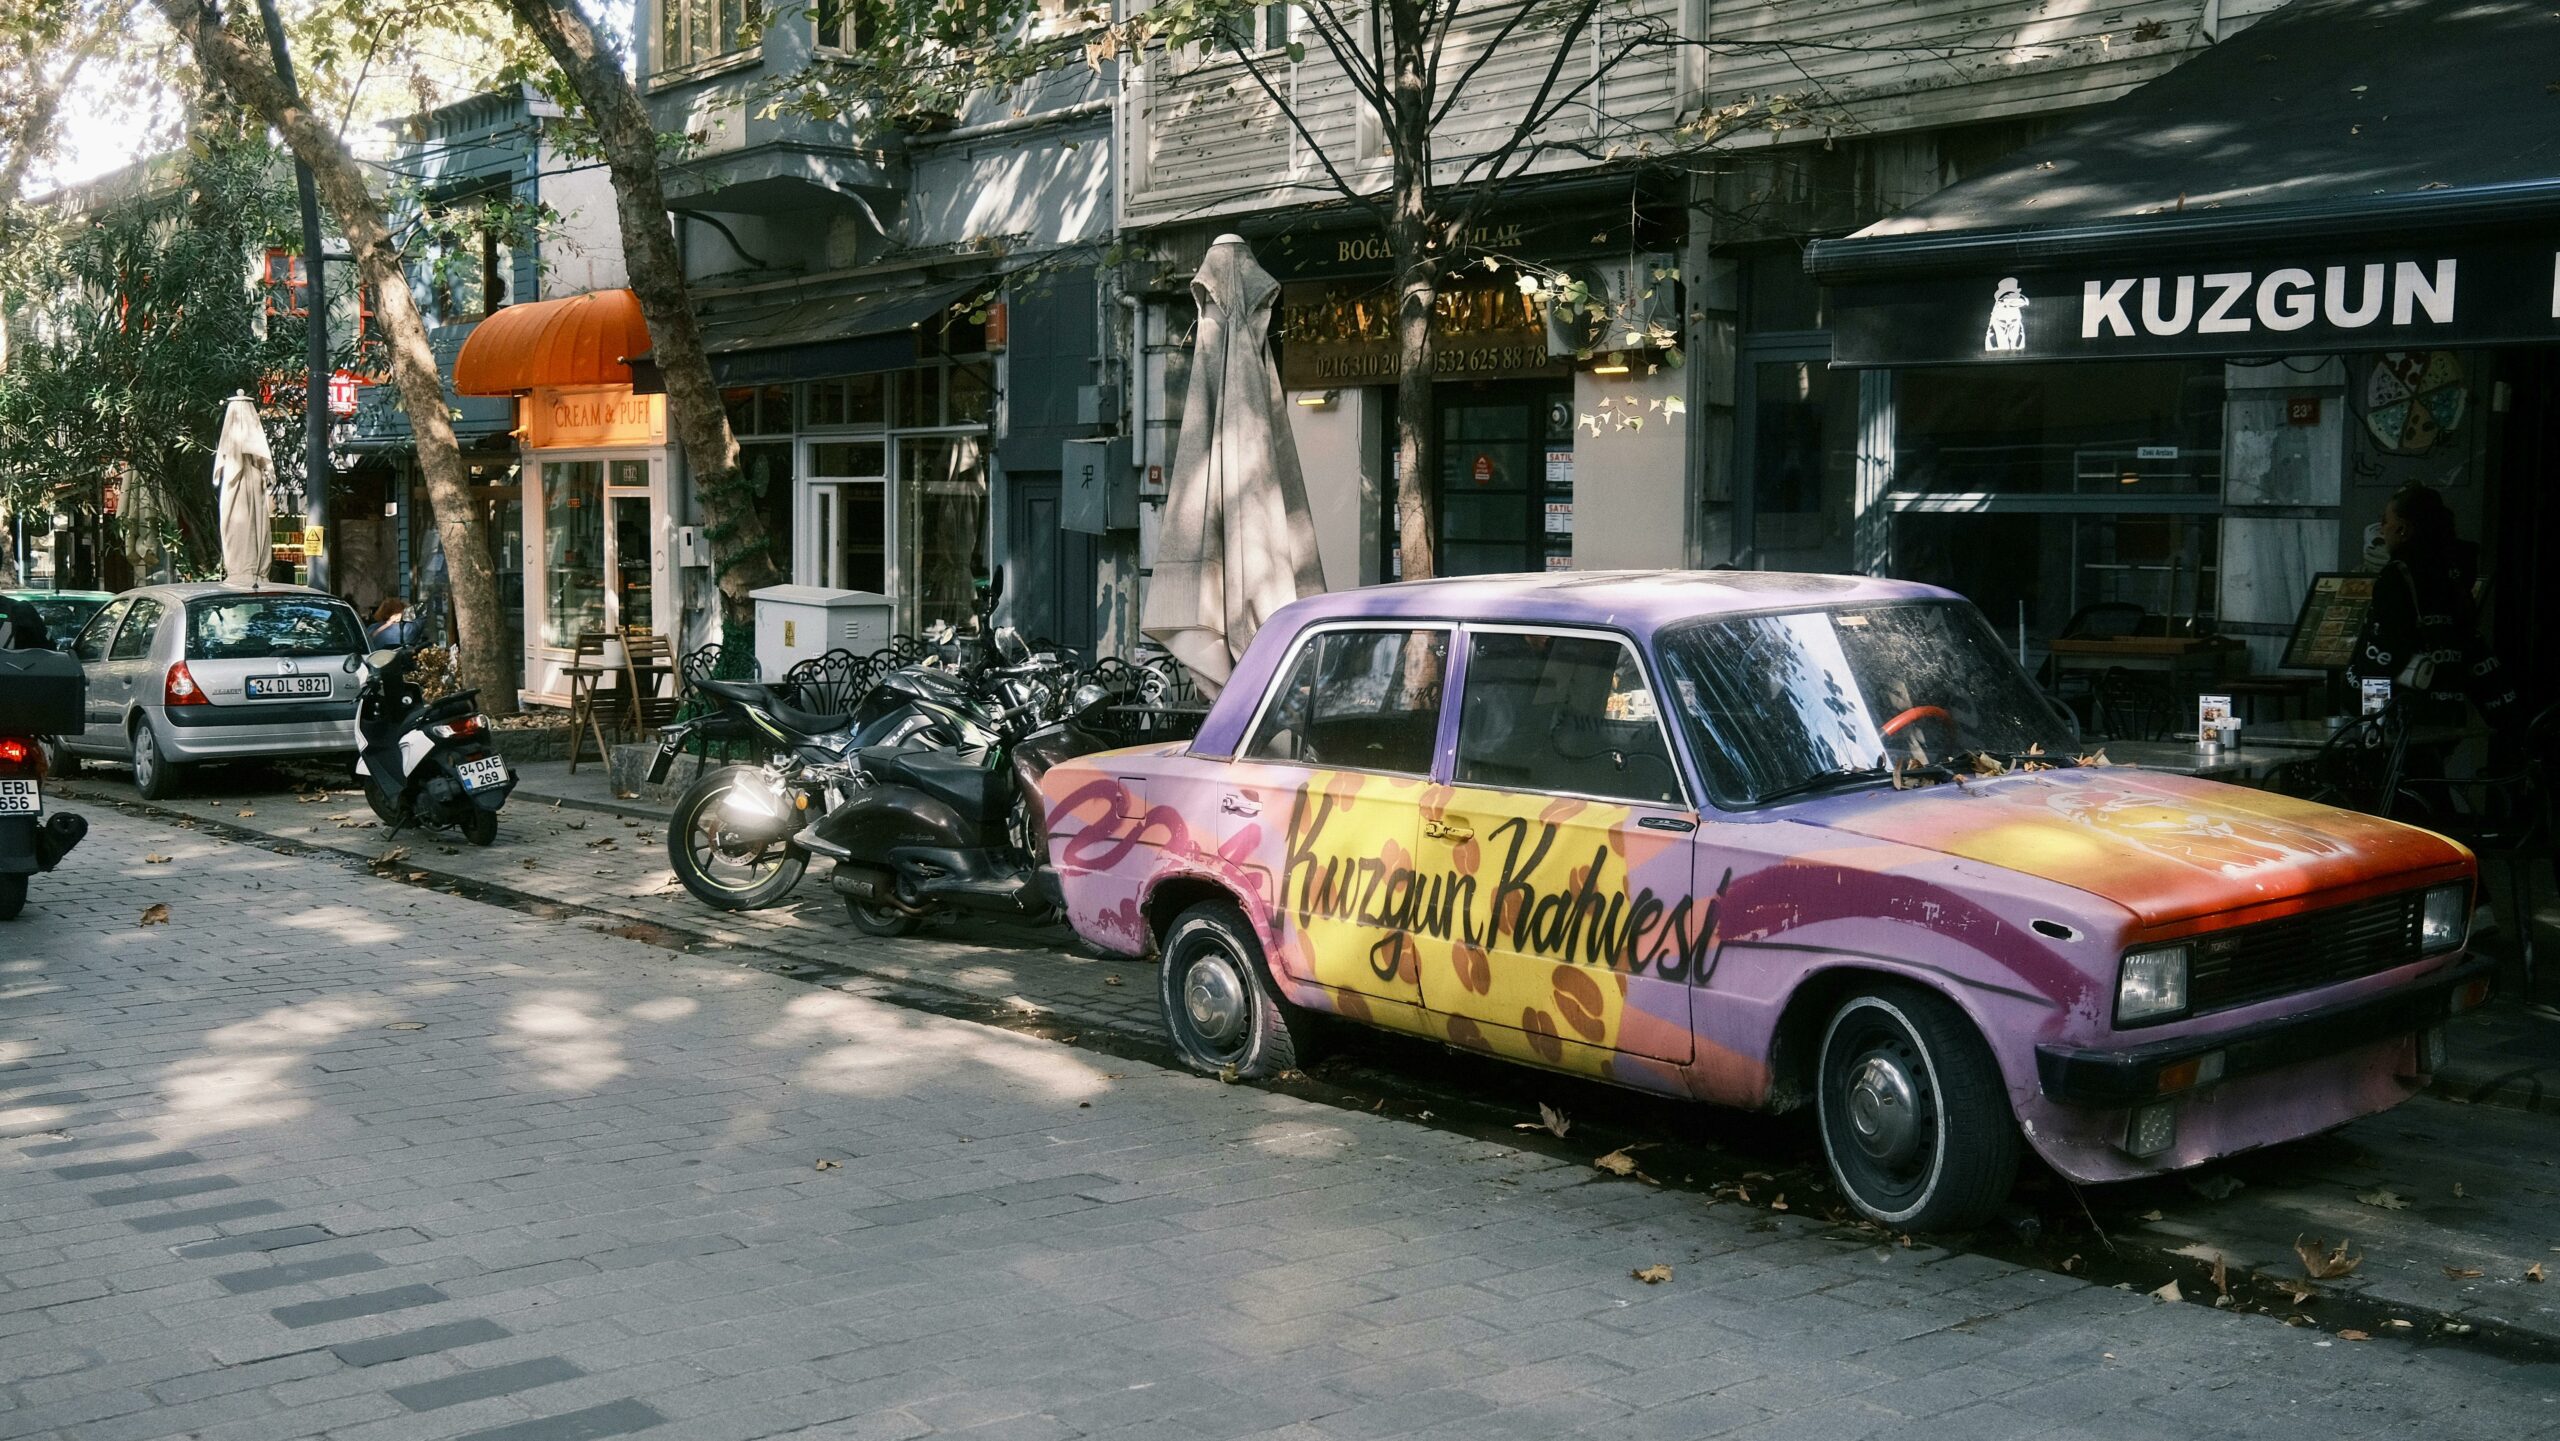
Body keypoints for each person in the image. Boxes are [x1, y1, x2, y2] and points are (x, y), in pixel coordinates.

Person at [2349, 483, 2517, 733]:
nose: (2381, 528)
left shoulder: (2397, 577)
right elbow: (2469, 643)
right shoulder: (2455, 573)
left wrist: (2372, 723)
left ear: (2402, 528)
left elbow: (2383, 654)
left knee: (2405, 770)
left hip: (2404, 710)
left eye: (2384, 520)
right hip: (2447, 708)